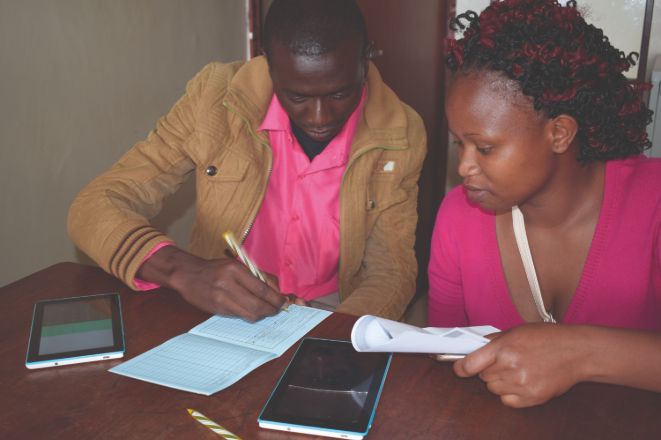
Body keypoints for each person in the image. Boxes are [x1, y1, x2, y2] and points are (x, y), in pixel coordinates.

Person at [68, 0, 426, 322]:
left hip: (337, 306)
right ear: (267, 64)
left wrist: (333, 335)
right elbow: (95, 206)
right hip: (216, 299)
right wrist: (184, 270)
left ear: (366, 60)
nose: (319, 118)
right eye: (296, 96)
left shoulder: (401, 132)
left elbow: (390, 270)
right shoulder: (214, 99)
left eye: (339, 93)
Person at [428, 0, 661, 408]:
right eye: (458, 143)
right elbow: (439, 357)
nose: (464, 166)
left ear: (560, 134)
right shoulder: (457, 218)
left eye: (484, 147)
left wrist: (577, 353)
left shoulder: (653, 206)